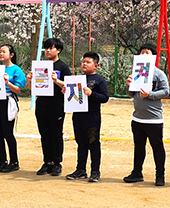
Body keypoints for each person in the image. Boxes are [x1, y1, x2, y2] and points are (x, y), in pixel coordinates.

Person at [123, 44, 170, 186]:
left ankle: (160, 175)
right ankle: (137, 172)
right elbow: (131, 94)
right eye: (142, 53)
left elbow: (166, 91)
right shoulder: (136, 72)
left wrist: (150, 95)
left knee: (157, 146)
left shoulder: (158, 73)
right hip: (137, 118)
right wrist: (128, 85)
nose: (144, 55)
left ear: (153, 57)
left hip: (154, 119)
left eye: (147, 53)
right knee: (139, 146)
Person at [26, 38, 71, 176]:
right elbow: (33, 90)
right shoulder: (40, 67)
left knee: (56, 134)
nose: (47, 51)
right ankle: (47, 162)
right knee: (44, 134)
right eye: (46, 48)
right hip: (42, 105)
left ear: (58, 50)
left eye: (51, 48)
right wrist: (30, 80)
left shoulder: (62, 67)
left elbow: (69, 86)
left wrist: (56, 81)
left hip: (57, 105)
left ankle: (57, 163)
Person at [66, 51, 109, 183]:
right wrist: (66, 91)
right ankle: (80, 169)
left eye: (88, 62)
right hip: (78, 116)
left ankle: (95, 171)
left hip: (92, 116)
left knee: (93, 144)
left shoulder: (99, 80)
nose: (84, 64)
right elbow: (72, 96)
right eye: (83, 62)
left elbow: (105, 98)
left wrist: (92, 94)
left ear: (95, 65)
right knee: (81, 143)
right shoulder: (77, 79)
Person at [0, 44, 26, 173]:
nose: (1, 54)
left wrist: (7, 83)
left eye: (4, 52)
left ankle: (14, 161)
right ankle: (2, 161)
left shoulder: (16, 70)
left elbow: (17, 89)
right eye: (0, 52)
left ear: (11, 55)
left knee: (8, 133)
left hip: (8, 101)